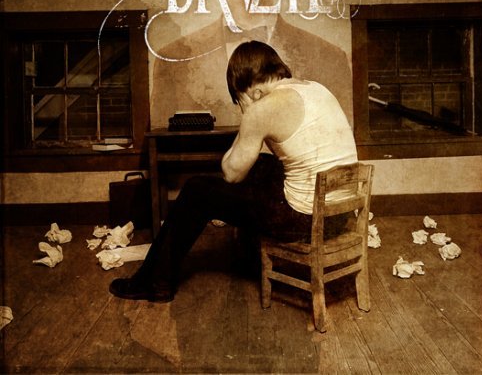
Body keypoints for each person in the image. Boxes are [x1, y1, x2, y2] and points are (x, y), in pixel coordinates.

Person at [109, 41, 358, 302]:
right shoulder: (315, 88)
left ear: (254, 91)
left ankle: (154, 282)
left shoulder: (262, 108)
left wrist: (249, 117)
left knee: (196, 190)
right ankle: (249, 256)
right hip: (339, 216)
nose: (241, 107)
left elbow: (231, 173)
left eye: (239, 100)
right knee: (262, 164)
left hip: (307, 220)